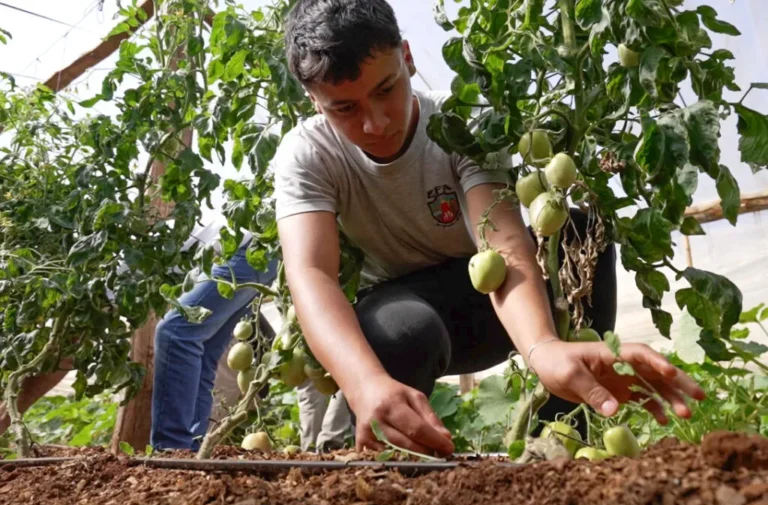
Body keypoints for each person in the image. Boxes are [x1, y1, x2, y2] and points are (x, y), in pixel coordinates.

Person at [273, 0, 706, 457]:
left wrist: (542, 347)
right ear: (313, 101)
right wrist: (364, 383)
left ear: (407, 57)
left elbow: (500, 241)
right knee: (402, 330)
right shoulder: (308, 154)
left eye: (386, 89)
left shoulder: (458, 125)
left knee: (581, 233)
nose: (375, 122)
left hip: (492, 308)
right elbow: (313, 274)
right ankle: (395, 456)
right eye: (344, 108)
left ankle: (559, 436)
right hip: (404, 321)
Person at [150, 225, 353, 451]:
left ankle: (171, 447)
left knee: (174, 332)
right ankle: (193, 447)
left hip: (253, 245)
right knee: (206, 346)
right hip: (263, 245)